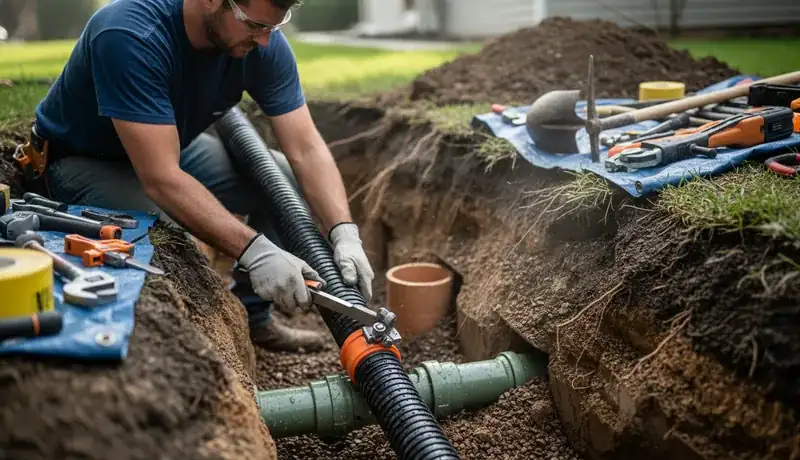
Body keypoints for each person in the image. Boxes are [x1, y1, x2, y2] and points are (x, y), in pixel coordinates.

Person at [22, 0, 375, 352]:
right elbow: (161, 179)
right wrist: (256, 251)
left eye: (273, 27)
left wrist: (344, 232)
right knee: (169, 237)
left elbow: (306, 148)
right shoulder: (129, 33)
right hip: (82, 161)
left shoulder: (262, 43)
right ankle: (201, 347)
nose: (265, 40)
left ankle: (255, 318)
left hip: (167, 146)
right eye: (255, 25)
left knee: (279, 176)